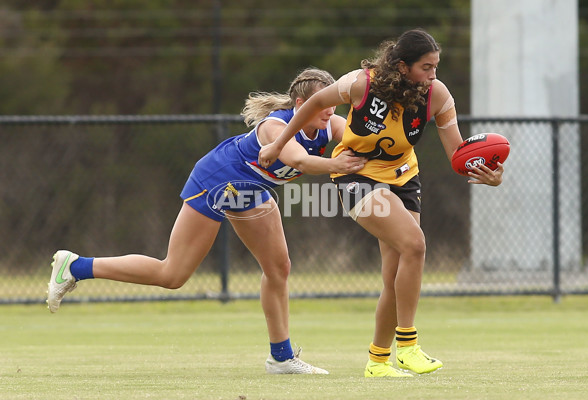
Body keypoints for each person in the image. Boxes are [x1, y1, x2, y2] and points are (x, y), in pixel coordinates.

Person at [46, 67, 366, 375]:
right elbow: (298, 160)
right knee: (172, 274)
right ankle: (75, 267)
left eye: (332, 103)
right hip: (217, 180)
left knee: (278, 267)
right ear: (301, 104)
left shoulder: (330, 124)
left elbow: (361, 138)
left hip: (252, 189)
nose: (329, 110)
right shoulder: (274, 126)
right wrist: (336, 163)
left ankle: (281, 358)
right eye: (322, 102)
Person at [258, 29, 504, 377]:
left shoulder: (438, 95)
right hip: (356, 176)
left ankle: (377, 361)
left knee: (394, 275)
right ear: (402, 67)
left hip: (403, 177)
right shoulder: (360, 83)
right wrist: (277, 143)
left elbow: (457, 155)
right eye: (426, 67)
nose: (433, 75)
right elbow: (314, 103)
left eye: (436, 67)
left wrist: (487, 172)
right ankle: (408, 345)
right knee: (415, 245)